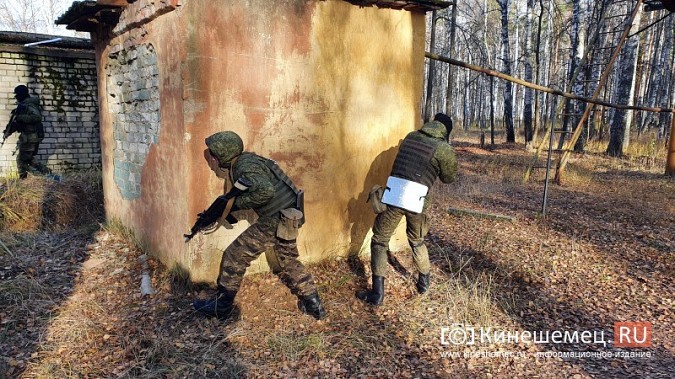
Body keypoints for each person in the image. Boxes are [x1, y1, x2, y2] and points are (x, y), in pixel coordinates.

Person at [191, 131, 327, 320]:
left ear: (222, 155)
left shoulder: (244, 166)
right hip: (291, 215)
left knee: (235, 255)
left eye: (213, 155)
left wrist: (236, 205)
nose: (211, 160)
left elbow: (266, 191)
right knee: (288, 259)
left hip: (275, 218)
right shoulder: (249, 161)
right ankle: (314, 304)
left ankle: (222, 307)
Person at [358, 113, 457, 306]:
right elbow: (448, 178)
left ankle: (377, 294)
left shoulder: (411, 136)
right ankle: (424, 283)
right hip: (417, 201)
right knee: (417, 240)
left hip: (394, 194)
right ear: (446, 131)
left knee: (379, 241)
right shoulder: (444, 149)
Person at [3, 85, 51, 179]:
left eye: (17, 95)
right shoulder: (23, 106)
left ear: (21, 94)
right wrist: (8, 131)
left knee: (21, 159)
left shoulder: (29, 105)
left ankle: (23, 180)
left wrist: (20, 117)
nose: (16, 97)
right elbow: (18, 124)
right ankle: (47, 173)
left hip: (31, 136)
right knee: (27, 158)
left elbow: (37, 118)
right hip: (29, 136)